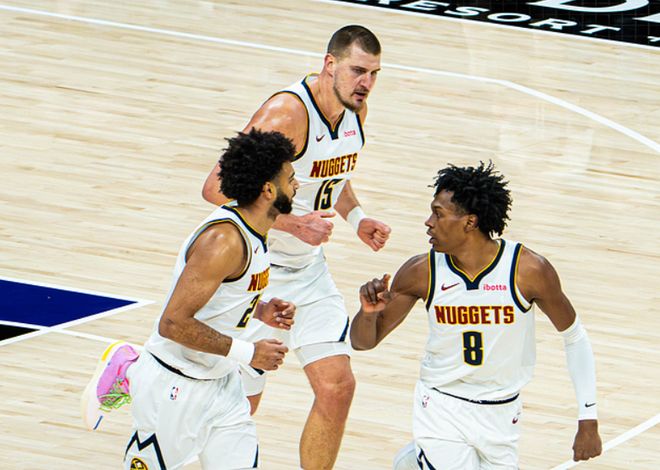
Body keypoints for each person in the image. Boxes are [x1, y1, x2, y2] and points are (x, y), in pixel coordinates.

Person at [201, 25, 391, 469]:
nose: (366, 83)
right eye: (358, 71)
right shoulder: (287, 113)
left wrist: (358, 218)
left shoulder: (355, 110)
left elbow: (331, 176)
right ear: (330, 64)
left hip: (308, 271)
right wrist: (292, 224)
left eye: (374, 74)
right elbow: (215, 188)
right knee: (240, 404)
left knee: (338, 387)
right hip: (256, 270)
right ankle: (138, 376)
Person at [350, 162, 602, 469]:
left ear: (470, 222)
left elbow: (574, 337)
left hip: (502, 413)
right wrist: (367, 314)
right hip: (441, 405)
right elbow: (363, 342)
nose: (428, 222)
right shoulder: (422, 272)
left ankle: (412, 463)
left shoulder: (528, 270)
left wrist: (587, 416)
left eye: (438, 214)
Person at [81, 129, 299, 469]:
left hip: (221, 384)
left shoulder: (255, 230)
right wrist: (250, 353)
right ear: (268, 190)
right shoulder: (223, 242)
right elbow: (172, 323)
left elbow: (224, 294)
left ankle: (129, 367)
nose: (297, 185)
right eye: (290, 178)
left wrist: (260, 310)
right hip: (174, 384)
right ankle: (131, 370)